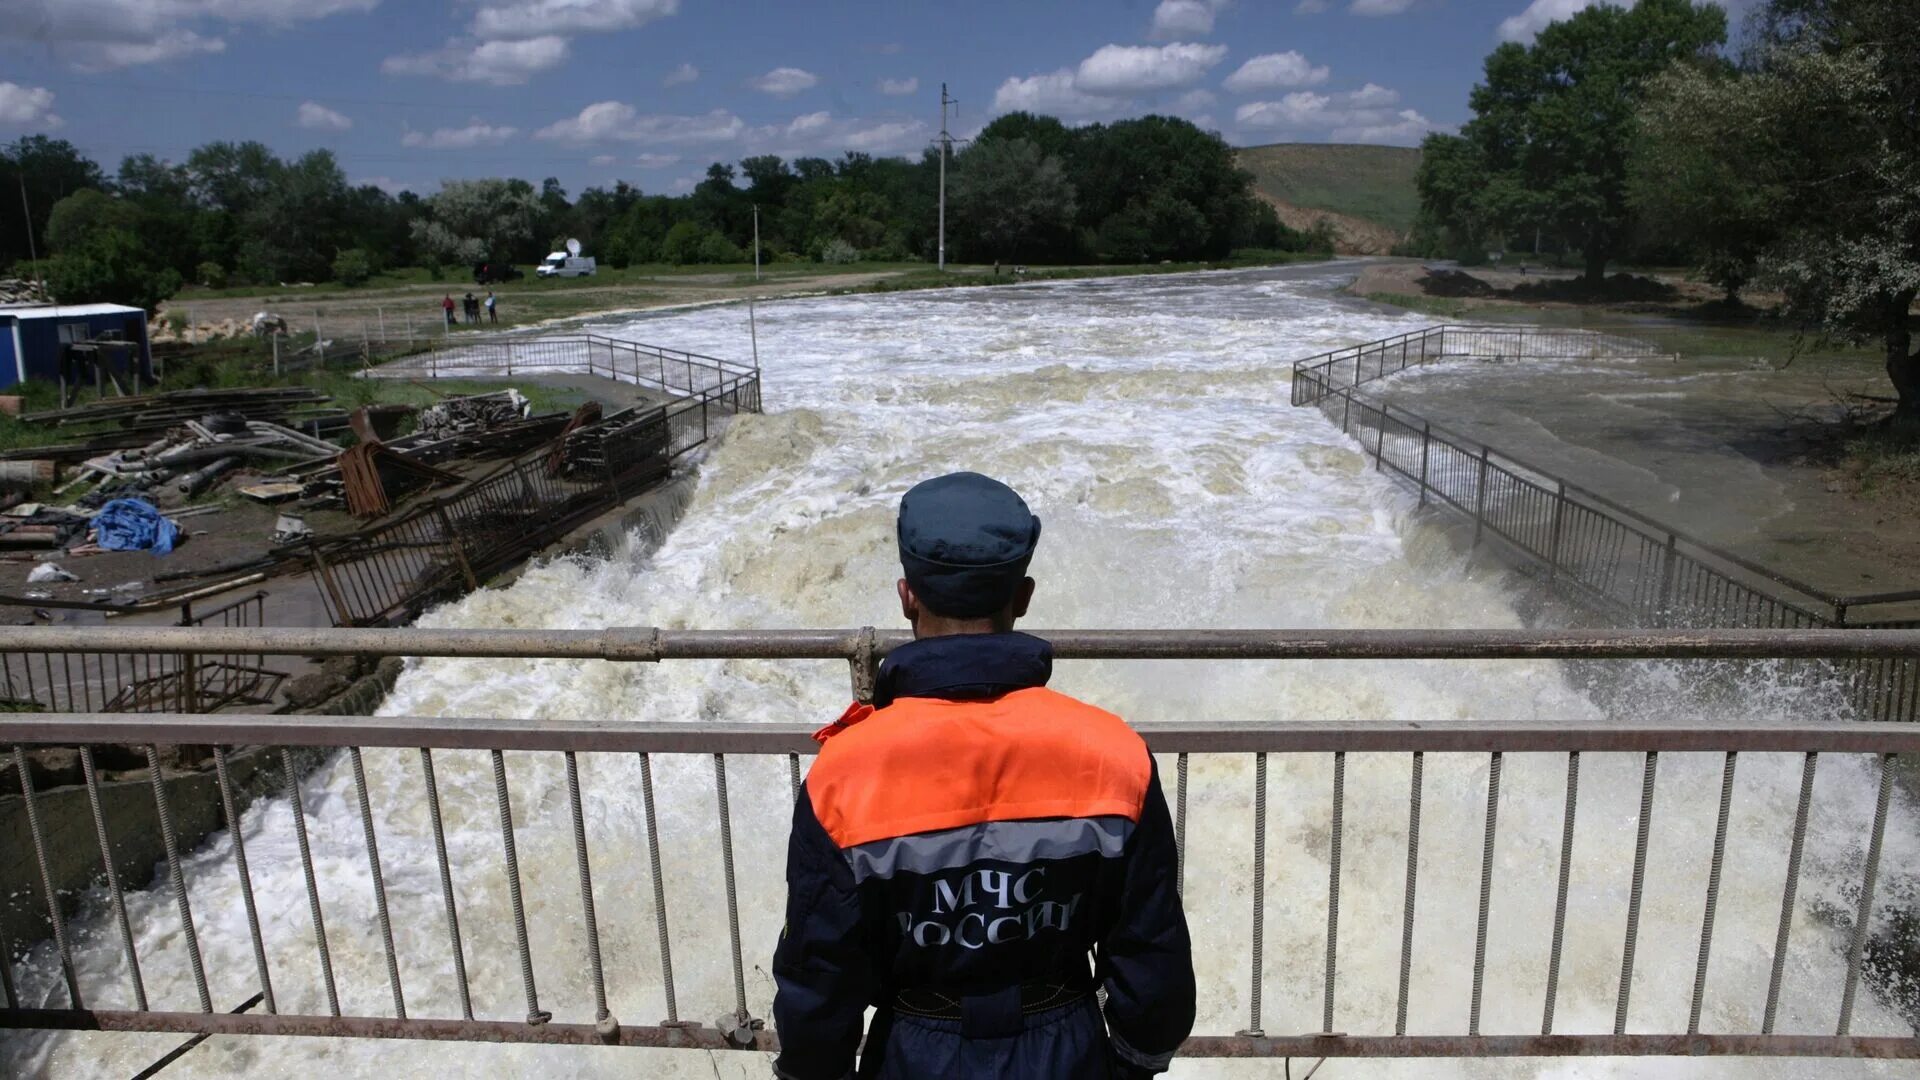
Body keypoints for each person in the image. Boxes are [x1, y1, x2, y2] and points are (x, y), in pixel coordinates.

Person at [773, 472, 1195, 1080]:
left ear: (906, 596)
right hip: (1067, 1044)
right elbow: (1151, 955)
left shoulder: (844, 775)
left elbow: (820, 978)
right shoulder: (1114, 754)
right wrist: (1130, 1063)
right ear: (1022, 597)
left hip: (916, 1052)